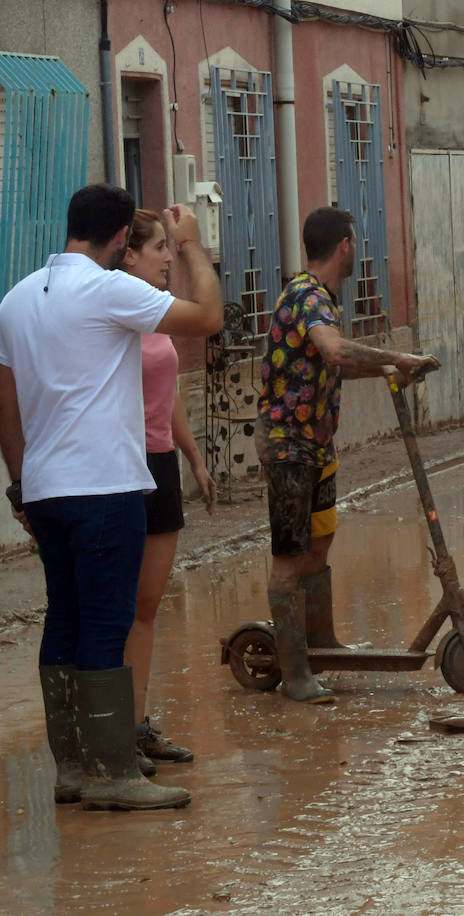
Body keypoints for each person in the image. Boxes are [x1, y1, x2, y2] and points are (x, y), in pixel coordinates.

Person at [0, 184, 222, 811]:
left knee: (64, 617)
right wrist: (192, 247)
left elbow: (5, 403)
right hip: (104, 485)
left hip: (46, 490)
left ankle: (73, 765)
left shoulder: (16, 299)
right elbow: (207, 317)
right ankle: (110, 772)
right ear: (122, 236)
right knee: (106, 619)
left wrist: (20, 480)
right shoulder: (108, 290)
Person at [256, 206, 439, 704]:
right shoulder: (308, 297)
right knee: (290, 558)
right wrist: (395, 357)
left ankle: (321, 644)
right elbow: (335, 352)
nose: (357, 249)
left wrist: (387, 371)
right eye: (355, 242)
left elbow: (332, 365)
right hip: (289, 443)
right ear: (343, 246)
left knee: (319, 543)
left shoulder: (324, 300)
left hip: (316, 442)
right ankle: (295, 675)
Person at [119, 209, 218, 776]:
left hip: (160, 465)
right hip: (120, 466)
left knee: (148, 606)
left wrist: (195, 459)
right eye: (159, 248)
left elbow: (169, 392)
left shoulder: (154, 313)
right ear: (127, 253)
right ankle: (111, 732)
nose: (166, 259)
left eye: (168, 247)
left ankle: (136, 724)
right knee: (118, 606)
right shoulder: (113, 310)